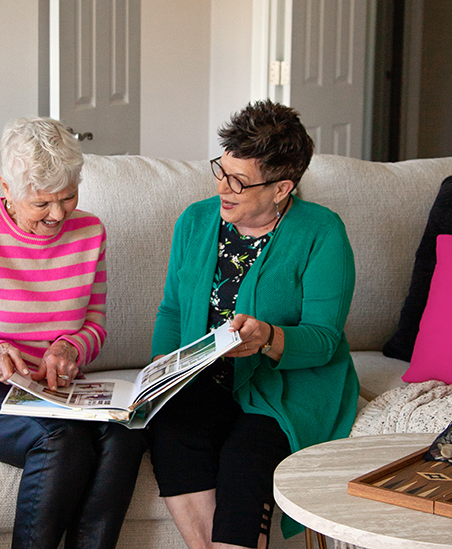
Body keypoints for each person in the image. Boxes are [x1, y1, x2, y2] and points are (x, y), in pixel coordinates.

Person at [0, 117, 146, 549]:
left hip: (51, 387)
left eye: (68, 197)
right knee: (61, 440)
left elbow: (94, 325)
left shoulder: (90, 233)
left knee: (125, 432)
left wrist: (69, 346)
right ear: (7, 187)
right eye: (42, 203)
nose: (58, 214)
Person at [147, 100, 359, 549]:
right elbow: (171, 311)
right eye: (221, 171)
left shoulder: (322, 232)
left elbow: (323, 340)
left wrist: (267, 337)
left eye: (239, 181)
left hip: (285, 386)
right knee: (172, 427)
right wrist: (162, 370)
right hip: (205, 378)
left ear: (282, 188)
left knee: (247, 458)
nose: (224, 187)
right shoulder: (195, 221)